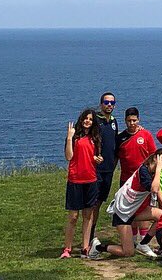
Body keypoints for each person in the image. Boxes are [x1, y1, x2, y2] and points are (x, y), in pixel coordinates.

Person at [106, 149, 162, 259]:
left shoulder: (153, 172)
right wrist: (158, 170)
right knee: (128, 252)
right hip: (123, 212)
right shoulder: (144, 171)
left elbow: (158, 188)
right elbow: (154, 188)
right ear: (155, 158)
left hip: (134, 210)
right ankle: (98, 247)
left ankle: (143, 244)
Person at [62, 108, 103, 260]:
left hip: (91, 180)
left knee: (88, 215)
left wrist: (98, 159)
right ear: (81, 119)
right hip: (75, 180)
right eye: (86, 118)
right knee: (73, 216)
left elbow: (96, 157)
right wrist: (69, 138)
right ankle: (67, 248)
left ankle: (85, 247)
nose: (87, 121)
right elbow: (68, 156)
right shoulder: (74, 137)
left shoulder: (95, 138)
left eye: (91, 119)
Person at [94, 92, 119, 219]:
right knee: (92, 203)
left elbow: (116, 142)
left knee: (99, 203)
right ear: (101, 104)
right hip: (96, 170)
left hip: (108, 170)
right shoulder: (95, 120)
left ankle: (91, 233)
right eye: (106, 102)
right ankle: (89, 236)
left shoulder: (114, 122)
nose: (109, 105)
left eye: (112, 103)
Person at [117, 106, 157, 184]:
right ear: (125, 121)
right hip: (126, 178)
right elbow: (115, 157)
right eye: (129, 121)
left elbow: (153, 156)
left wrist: (153, 172)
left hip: (144, 176)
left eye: (134, 120)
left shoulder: (146, 135)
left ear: (138, 120)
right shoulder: (120, 138)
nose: (132, 123)